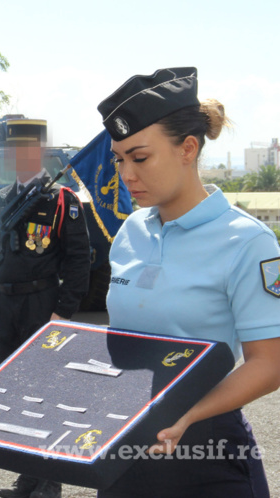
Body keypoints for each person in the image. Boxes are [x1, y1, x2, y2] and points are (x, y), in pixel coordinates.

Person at [97, 67, 280, 498]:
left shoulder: (248, 241)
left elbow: (270, 363)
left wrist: (187, 413)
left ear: (188, 148)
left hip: (205, 451)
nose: (126, 174)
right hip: (123, 445)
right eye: (119, 159)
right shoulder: (131, 231)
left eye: (140, 158)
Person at [0, 118, 90, 498]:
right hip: (5, 308)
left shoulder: (62, 200)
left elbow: (79, 259)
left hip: (43, 306)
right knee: (15, 395)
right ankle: (26, 477)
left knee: (46, 395)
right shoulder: (0, 200)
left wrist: (64, 312)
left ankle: (50, 481)